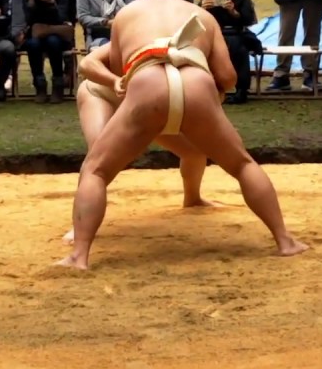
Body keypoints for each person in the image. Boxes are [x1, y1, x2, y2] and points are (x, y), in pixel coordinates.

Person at [56, 0, 308, 270]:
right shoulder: (201, 15)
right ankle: (285, 241)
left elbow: (124, 67)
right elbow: (228, 77)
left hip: (146, 80)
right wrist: (212, 92)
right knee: (242, 164)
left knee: (95, 169)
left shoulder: (129, 12)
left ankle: (79, 255)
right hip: (195, 82)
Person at [62, 40, 217, 245]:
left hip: (145, 102)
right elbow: (87, 64)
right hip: (102, 92)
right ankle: (79, 225)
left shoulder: (185, 46)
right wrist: (113, 80)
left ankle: (193, 197)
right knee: (98, 156)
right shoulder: (138, 38)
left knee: (195, 151)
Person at [199, 0, 258, 104]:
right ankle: (207, 87)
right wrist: (202, 9)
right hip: (214, 33)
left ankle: (241, 90)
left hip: (236, 32)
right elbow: (196, 19)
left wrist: (233, 11)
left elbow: (248, 19)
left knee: (237, 46)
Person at [17, 0, 72, 104]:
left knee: (53, 41)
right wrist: (31, 1)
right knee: (33, 44)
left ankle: (58, 85)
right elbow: (27, 20)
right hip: (34, 34)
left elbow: (62, 18)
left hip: (57, 33)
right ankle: (39, 85)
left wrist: (51, 3)